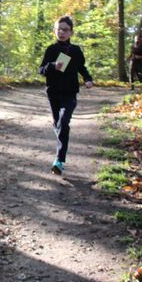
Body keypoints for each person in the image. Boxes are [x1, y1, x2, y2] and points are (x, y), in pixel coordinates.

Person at [38, 16, 93, 175]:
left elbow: (81, 67)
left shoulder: (75, 50)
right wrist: (53, 65)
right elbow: (41, 70)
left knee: (63, 121)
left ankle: (59, 160)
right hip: (53, 93)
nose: (62, 32)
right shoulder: (51, 50)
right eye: (59, 29)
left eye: (65, 30)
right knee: (59, 124)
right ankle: (59, 131)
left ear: (71, 32)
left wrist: (88, 79)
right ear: (54, 31)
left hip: (70, 93)